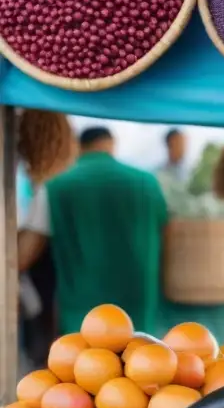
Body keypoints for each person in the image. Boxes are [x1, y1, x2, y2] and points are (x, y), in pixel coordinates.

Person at [18, 127, 168, 334]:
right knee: (141, 362)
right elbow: (169, 234)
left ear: (80, 147)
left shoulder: (55, 186)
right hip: (139, 315)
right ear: (111, 144)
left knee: (85, 365)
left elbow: (23, 255)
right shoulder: (148, 182)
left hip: (82, 320)